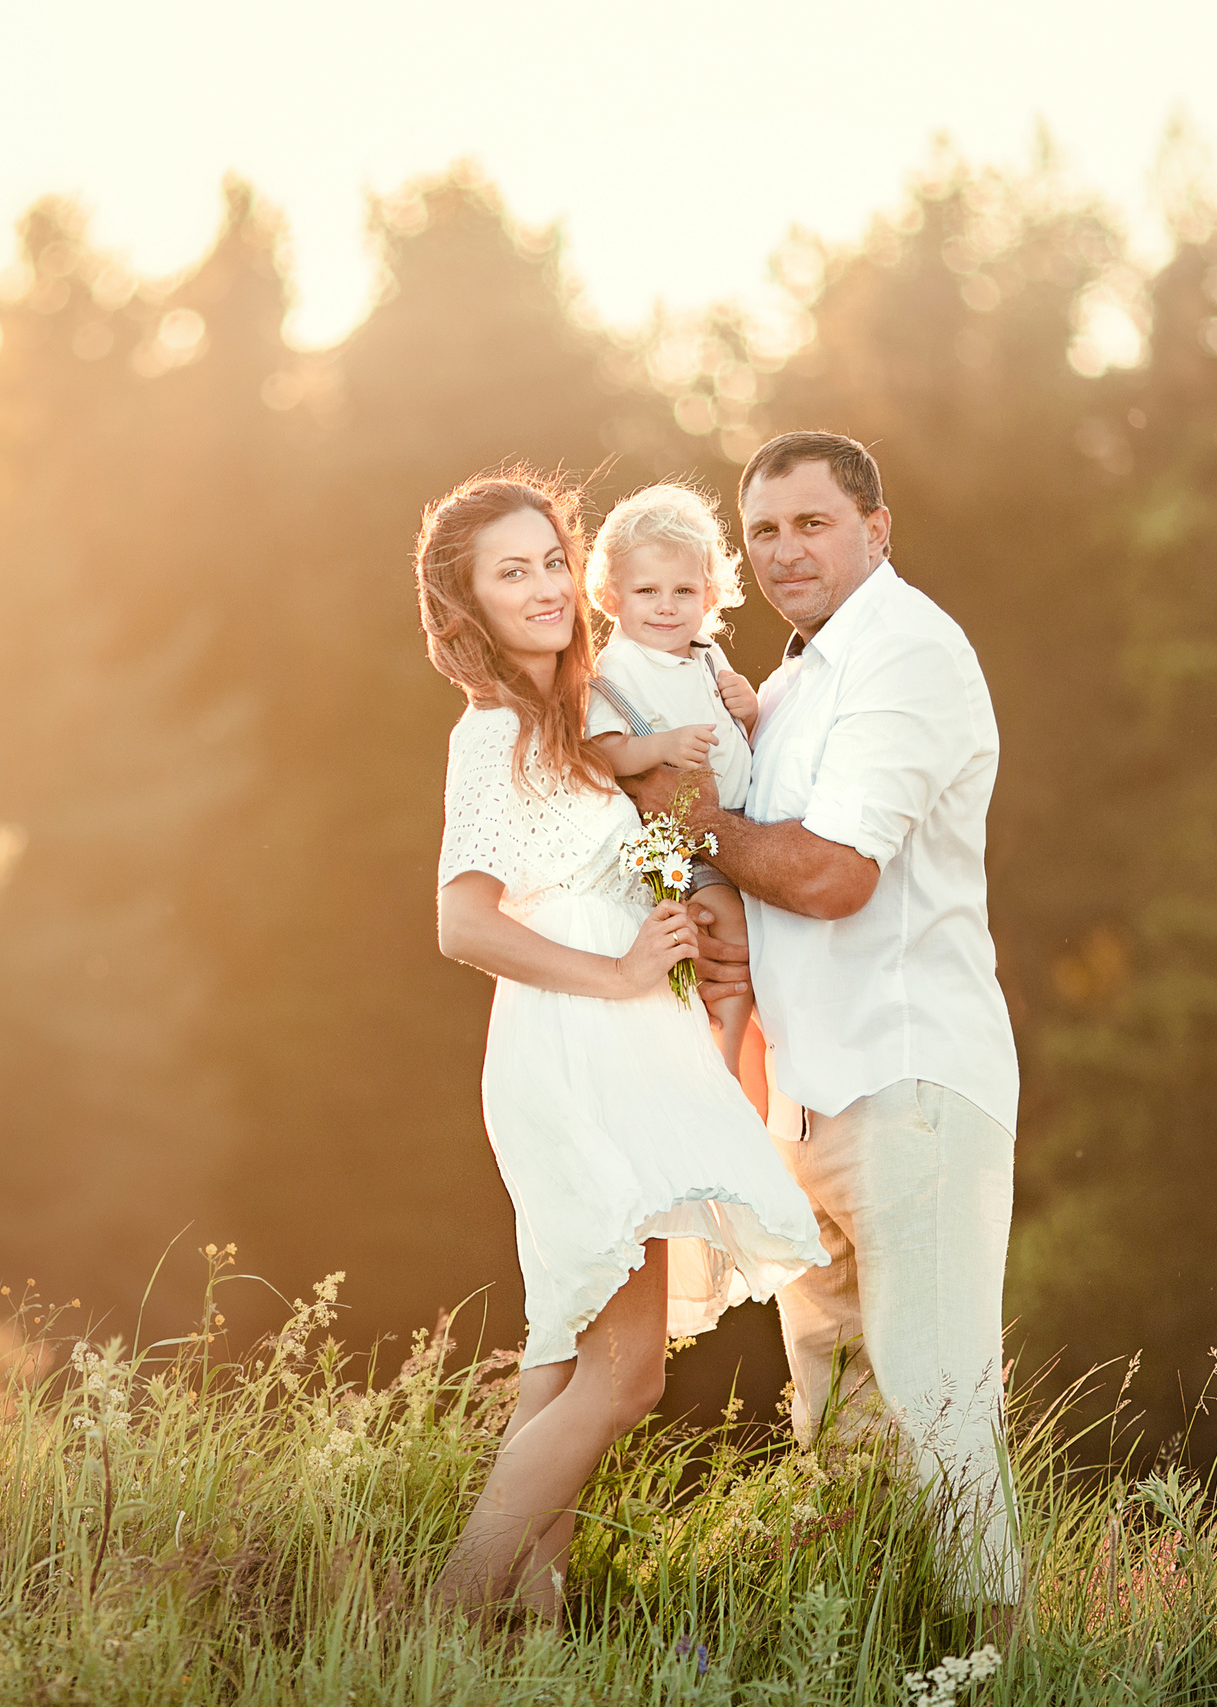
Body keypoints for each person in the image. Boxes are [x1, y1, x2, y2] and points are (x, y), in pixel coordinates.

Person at [620, 431, 1024, 1615]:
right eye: (763, 532)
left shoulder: (907, 653)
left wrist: (683, 815)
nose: (786, 550)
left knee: (942, 1409)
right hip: (803, 1104)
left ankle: (1002, 1678)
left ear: (875, 528)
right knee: (835, 1431)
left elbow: (838, 874)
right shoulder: (788, 684)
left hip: (911, 1090)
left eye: (813, 523)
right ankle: (868, 1665)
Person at [416, 470, 827, 1621]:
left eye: (551, 558)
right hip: (575, 1044)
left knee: (566, 1354)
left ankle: (524, 1630)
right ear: (468, 603)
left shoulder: (579, 718)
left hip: (627, 1037)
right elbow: (460, 920)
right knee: (624, 1372)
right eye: (512, 573)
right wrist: (616, 971)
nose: (545, 587)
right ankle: (444, 1611)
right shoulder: (495, 731)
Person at [581, 482, 767, 1076]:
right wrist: (661, 746)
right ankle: (726, 1060)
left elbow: (742, 743)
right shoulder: (616, 670)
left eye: (684, 591)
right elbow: (605, 752)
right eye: (647, 592)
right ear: (612, 597)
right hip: (690, 840)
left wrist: (751, 709)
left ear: (710, 594)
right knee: (729, 935)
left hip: (749, 824)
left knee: (772, 950)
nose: (666, 607)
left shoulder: (707, 656)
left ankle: (759, 1061)